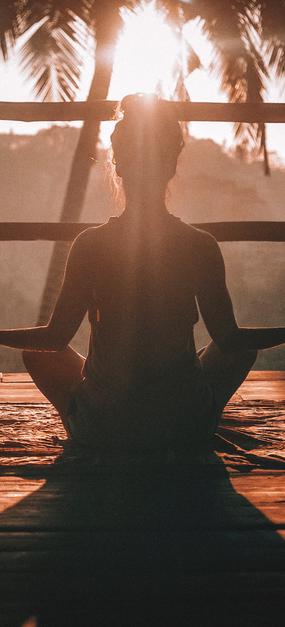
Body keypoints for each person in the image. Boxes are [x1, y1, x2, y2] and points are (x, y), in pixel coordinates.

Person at [1, 93, 285, 459]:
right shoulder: (199, 244)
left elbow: (55, 339)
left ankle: (80, 420)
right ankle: (201, 413)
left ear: (118, 165)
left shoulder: (91, 244)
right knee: (236, 352)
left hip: (105, 429)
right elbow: (229, 340)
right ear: (171, 165)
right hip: (184, 426)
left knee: (37, 355)